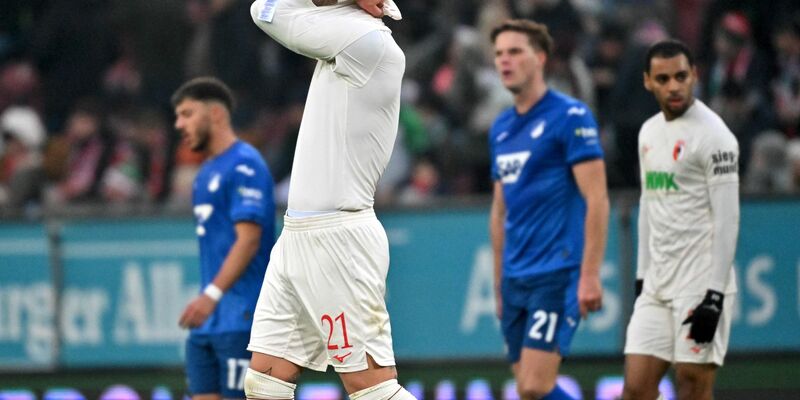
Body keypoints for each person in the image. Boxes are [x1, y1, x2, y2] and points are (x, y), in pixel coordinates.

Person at [244, 1, 416, 399]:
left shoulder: (364, 39)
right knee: (265, 382)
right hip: (298, 235)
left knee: (372, 390)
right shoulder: (342, 36)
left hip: (339, 237)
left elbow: (265, 9)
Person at [488, 20, 609, 400]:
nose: (505, 61)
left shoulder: (570, 117)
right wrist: (498, 284)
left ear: (540, 58)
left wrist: (588, 274)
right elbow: (498, 211)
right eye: (499, 54)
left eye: (515, 52)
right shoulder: (501, 128)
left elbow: (597, 198)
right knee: (531, 388)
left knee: (533, 385)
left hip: (556, 272)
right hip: (515, 276)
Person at [622, 40, 740, 400]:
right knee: (636, 390)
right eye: (663, 79)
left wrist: (715, 296)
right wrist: (642, 278)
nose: (673, 86)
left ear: (695, 76)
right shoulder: (648, 133)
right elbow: (649, 204)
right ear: (647, 82)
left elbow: (727, 219)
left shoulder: (715, 136)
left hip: (700, 281)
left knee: (692, 384)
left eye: (680, 76)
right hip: (658, 285)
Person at [172, 77, 276, 400]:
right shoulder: (204, 174)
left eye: (187, 113)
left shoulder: (245, 164)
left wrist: (211, 295)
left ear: (216, 114)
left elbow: (249, 240)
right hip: (208, 323)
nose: (179, 124)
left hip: (242, 319)